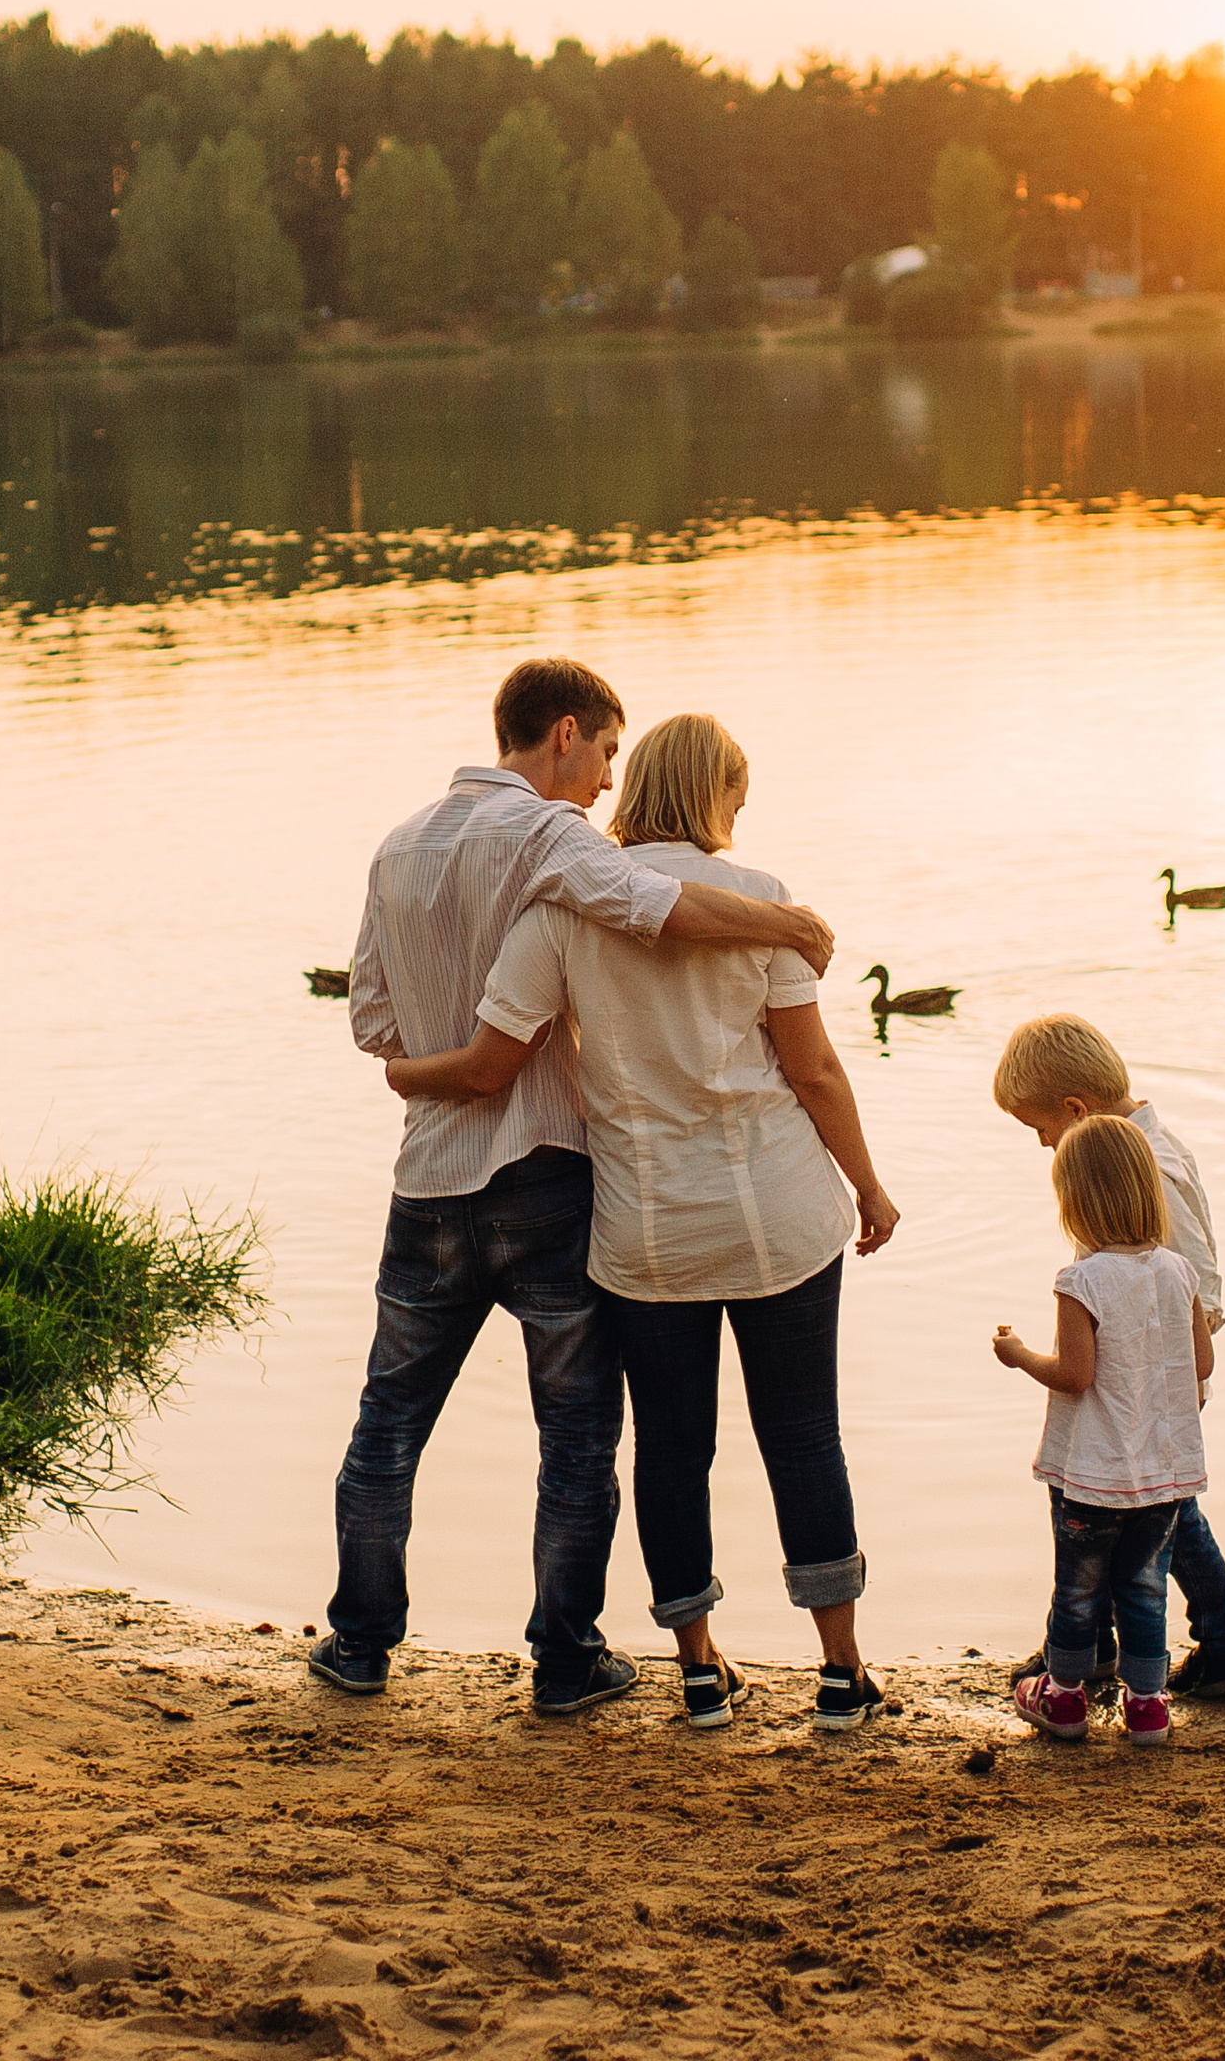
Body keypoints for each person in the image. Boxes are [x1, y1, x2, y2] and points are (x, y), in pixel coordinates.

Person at [324, 660, 836, 1716]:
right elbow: (657, 908)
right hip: (550, 1178)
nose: (607, 782)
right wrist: (784, 926)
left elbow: (372, 1022)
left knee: (387, 1422)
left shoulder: (395, 845)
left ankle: (360, 1643)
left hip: (427, 1184)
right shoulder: (552, 841)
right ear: (564, 734)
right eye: (605, 750)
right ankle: (565, 1659)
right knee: (576, 1439)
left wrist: (426, 1066)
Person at [990, 1015, 1225, 1699]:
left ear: (1076, 1112)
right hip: (1143, 1382)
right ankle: (1115, 1644)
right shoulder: (1141, 1150)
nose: (1042, 1145)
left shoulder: (1152, 1168)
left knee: (1116, 1512)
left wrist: (1156, 1374)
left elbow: (1190, 1283)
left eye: (1041, 1130)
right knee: (1142, 1513)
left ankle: (1210, 1642)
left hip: (1143, 1387)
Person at [992, 1114, 1211, 1745]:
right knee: (1144, 1589)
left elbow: (1075, 1374)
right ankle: (1148, 1706)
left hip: (1091, 1475)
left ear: (1075, 1204)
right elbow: (1201, 1363)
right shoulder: (1178, 1272)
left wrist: (1020, 1354)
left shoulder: (1080, 1281)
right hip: (1163, 1476)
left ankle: (1064, 1699)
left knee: (1078, 1589)